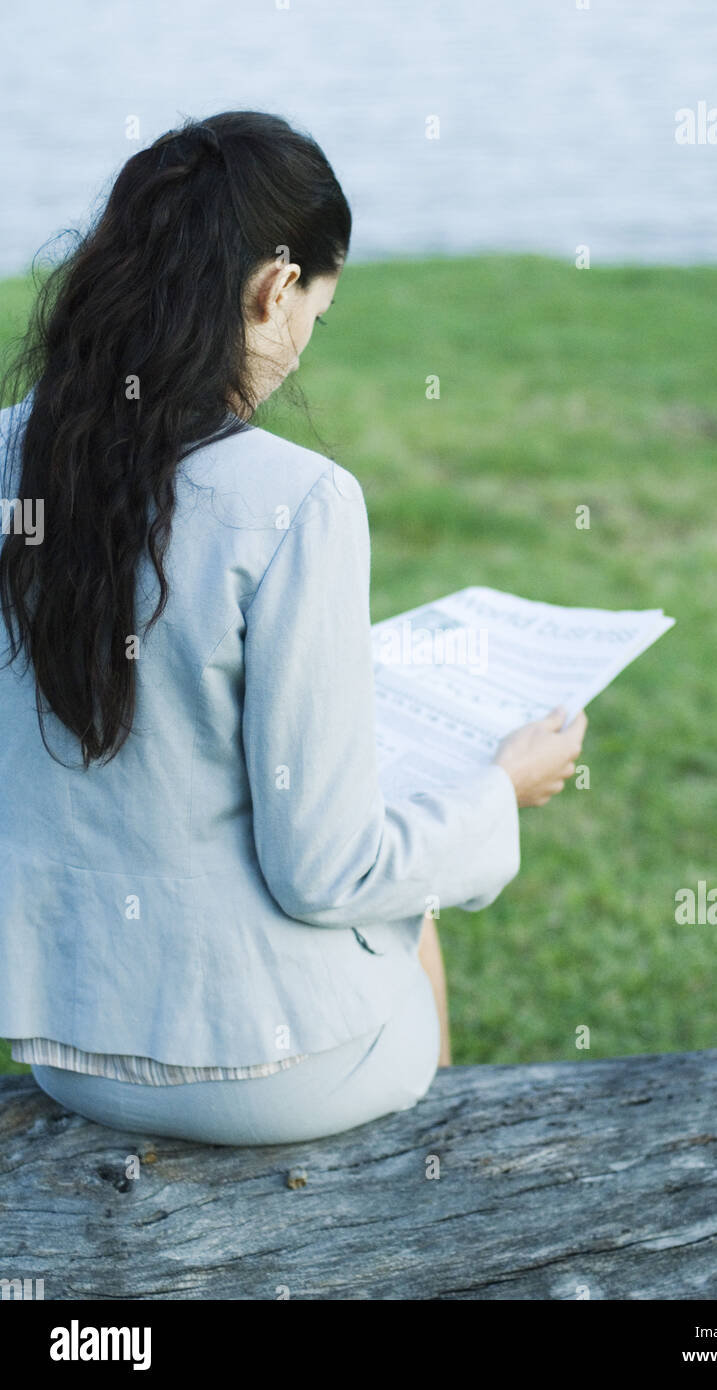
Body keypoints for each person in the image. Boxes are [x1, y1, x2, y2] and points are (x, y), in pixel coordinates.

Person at [0, 111, 587, 1146]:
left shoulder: (17, 450)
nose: (309, 336)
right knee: (413, 916)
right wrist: (502, 789)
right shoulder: (297, 500)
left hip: (67, 1052)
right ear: (276, 290)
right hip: (257, 1073)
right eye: (322, 307)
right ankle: (410, 1214)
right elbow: (329, 871)